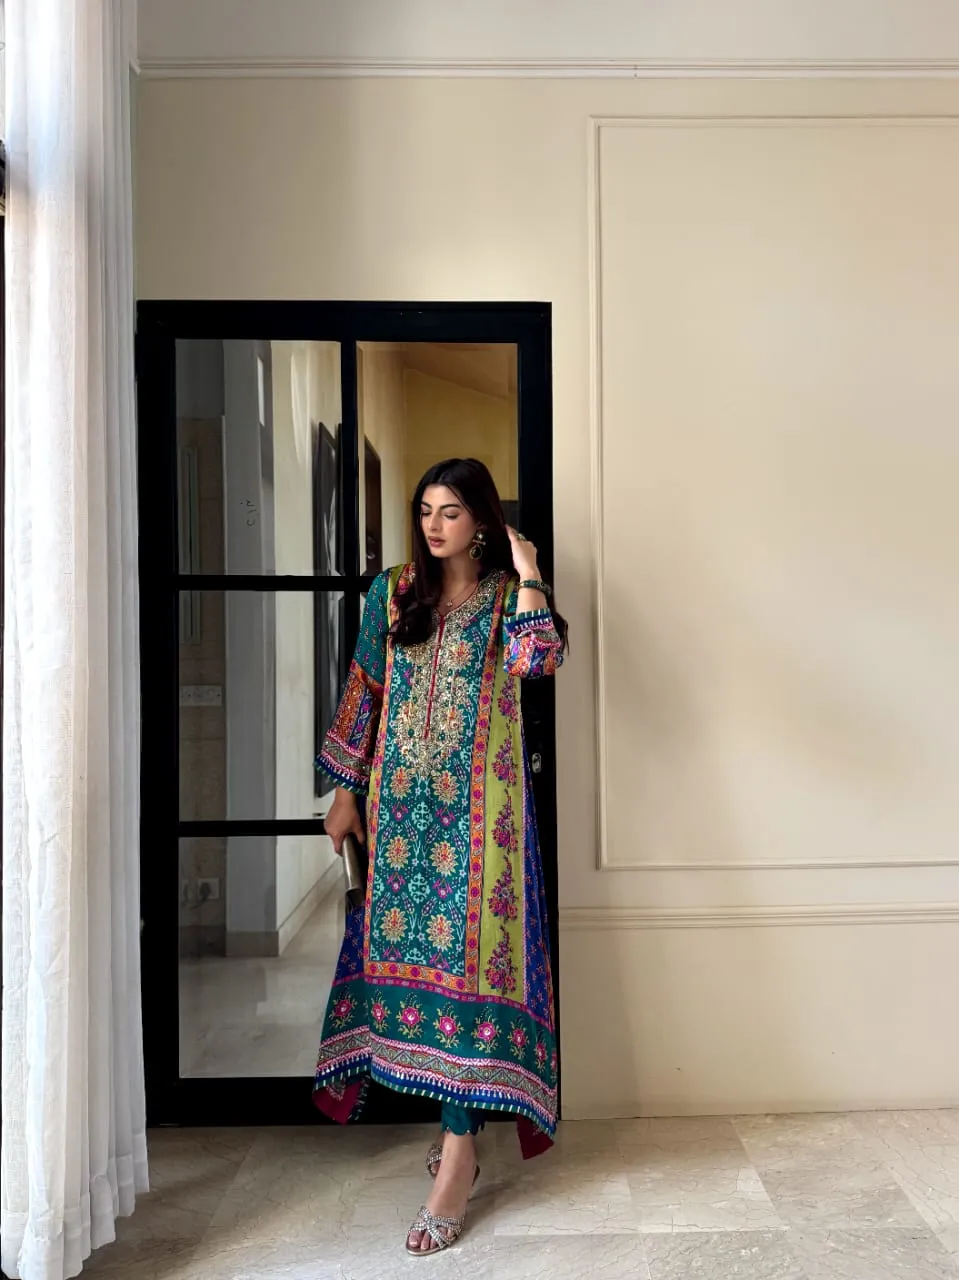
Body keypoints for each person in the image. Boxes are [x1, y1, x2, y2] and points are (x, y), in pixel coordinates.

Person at [314, 457, 567, 1255]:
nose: (432, 525)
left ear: (481, 521)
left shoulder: (505, 599)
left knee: (470, 974)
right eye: (425, 509)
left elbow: (537, 663)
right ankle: (456, 1133)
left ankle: (458, 1157)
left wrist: (528, 572)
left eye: (450, 512)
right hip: (399, 818)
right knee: (412, 963)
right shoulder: (392, 592)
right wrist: (346, 790)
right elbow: (364, 689)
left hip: (483, 822)